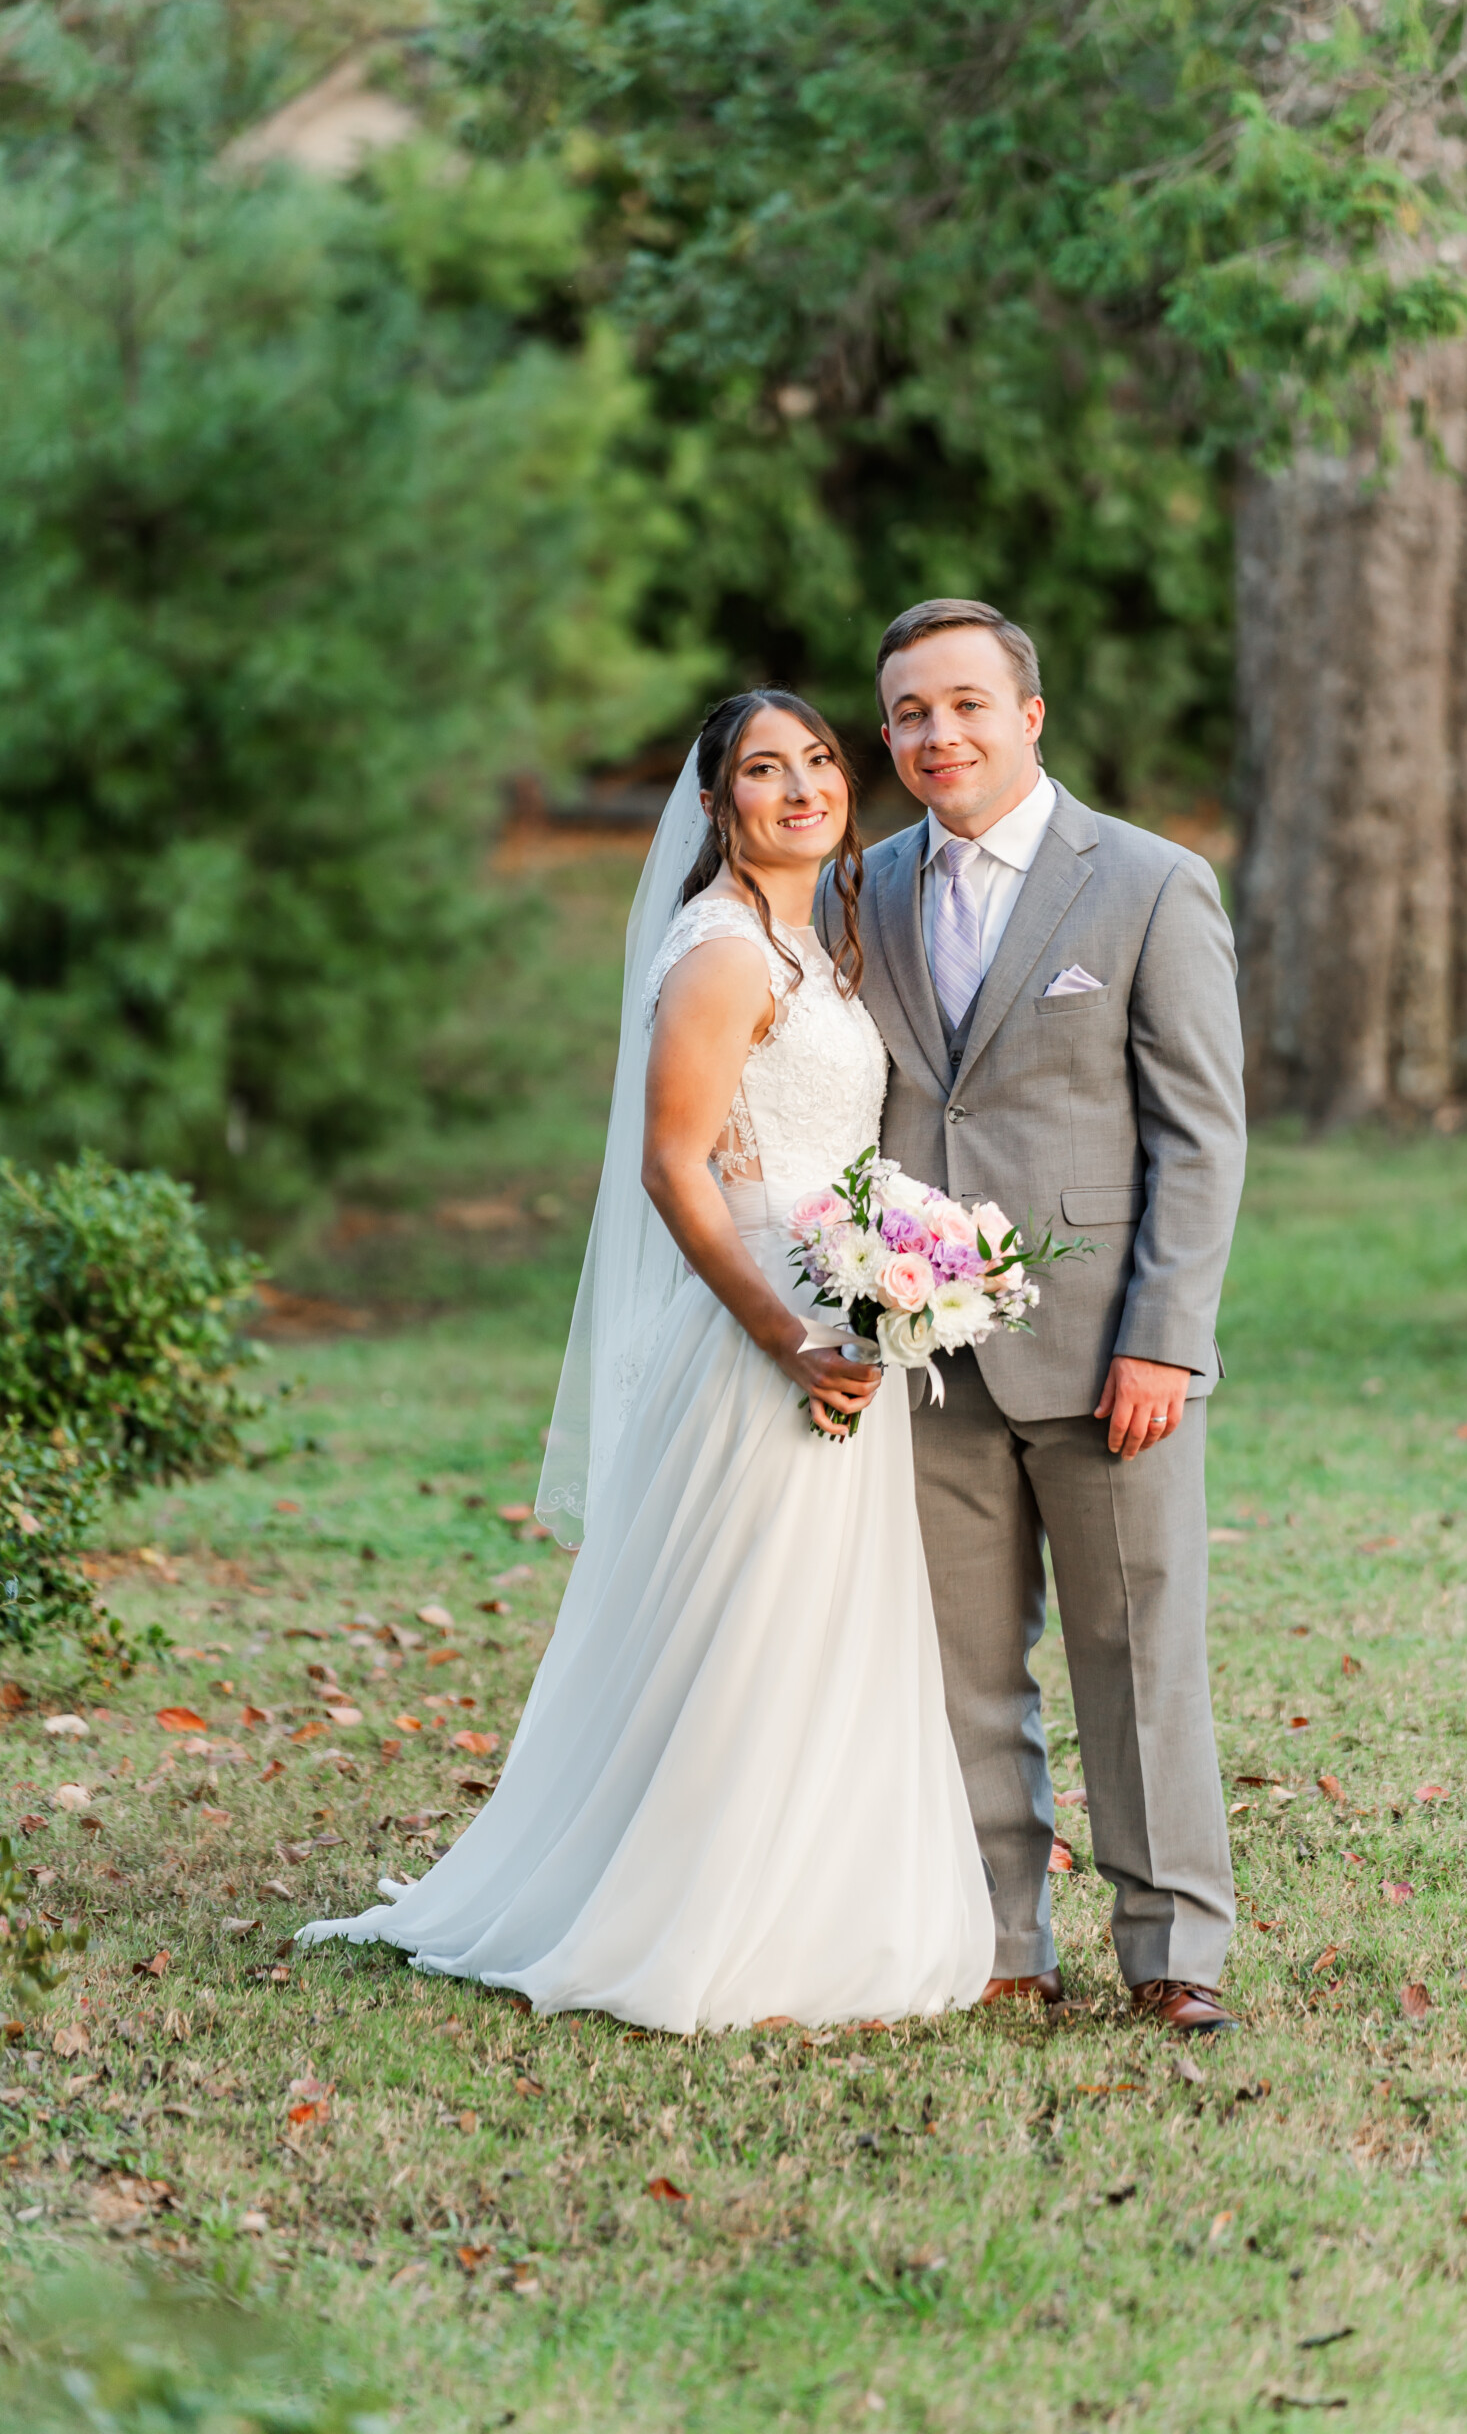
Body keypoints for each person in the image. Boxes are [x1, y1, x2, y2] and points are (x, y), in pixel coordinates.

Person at [298, 691, 994, 2030]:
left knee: (810, 1628)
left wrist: (891, 1276)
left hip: (841, 1322)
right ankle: (700, 1916)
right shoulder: (725, 953)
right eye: (761, 772)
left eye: (817, 764)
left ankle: (814, 1906)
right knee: (741, 1632)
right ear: (718, 805)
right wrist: (787, 1332)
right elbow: (675, 1168)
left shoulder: (819, 942)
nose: (801, 790)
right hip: (760, 1340)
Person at [825, 599, 1247, 2034]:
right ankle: (1000, 1934)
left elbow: (1200, 1135)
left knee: (1138, 1657)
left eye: (964, 705)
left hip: (1102, 1352)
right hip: (922, 1358)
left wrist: (1165, 1338)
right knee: (958, 1665)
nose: (937, 735)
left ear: (1030, 716)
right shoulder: (858, 890)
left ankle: (1173, 1949)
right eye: (908, 715)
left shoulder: (1146, 884)